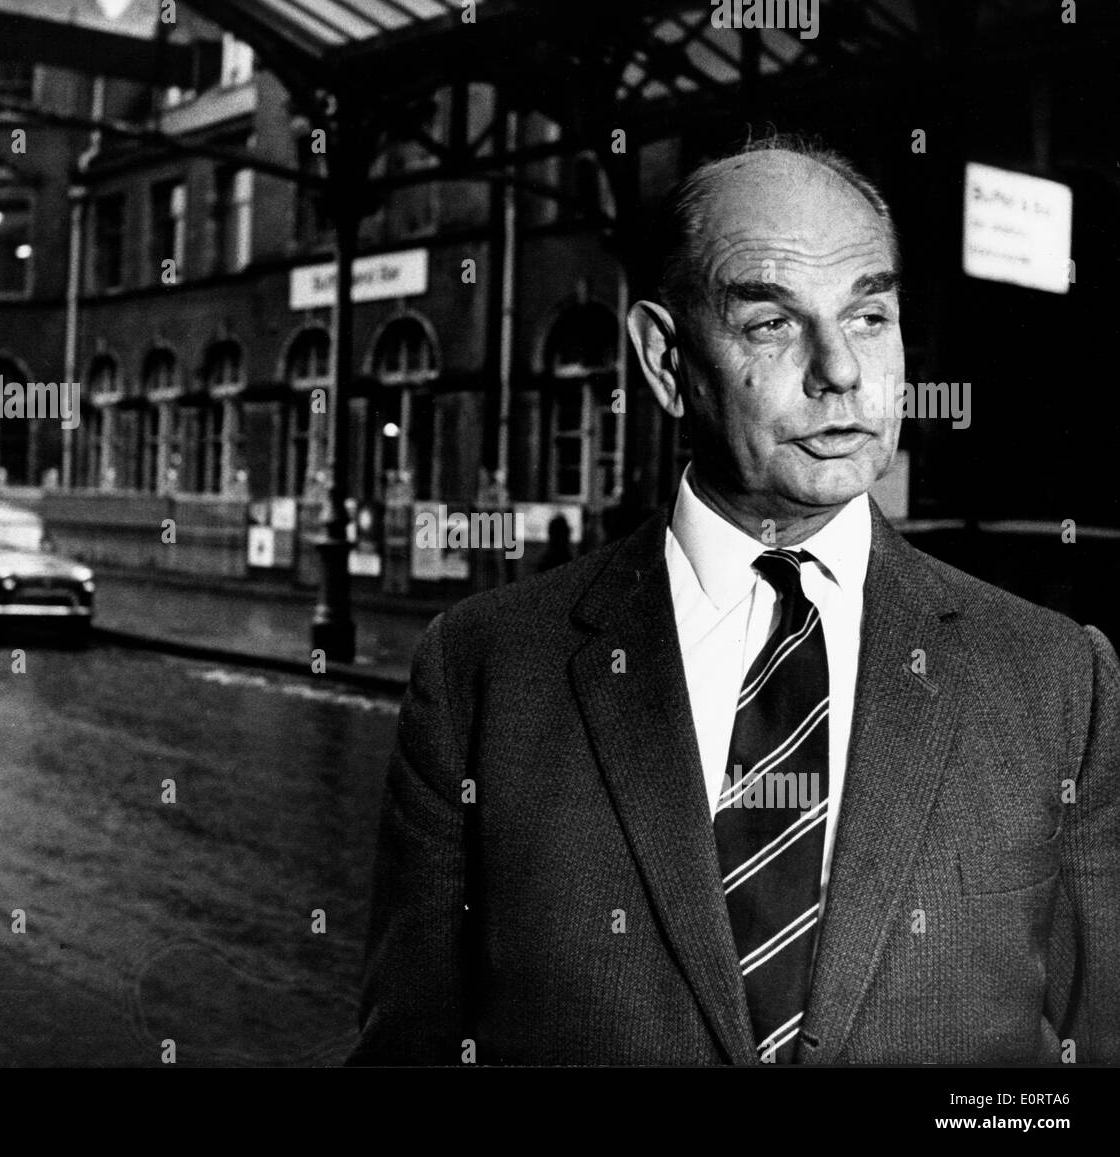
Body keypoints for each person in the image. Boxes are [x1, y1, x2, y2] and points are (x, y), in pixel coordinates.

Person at [349, 137, 1120, 1066]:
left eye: (870, 314)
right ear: (667, 361)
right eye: (772, 325)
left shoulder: (1056, 678)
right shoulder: (483, 672)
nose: (841, 369)